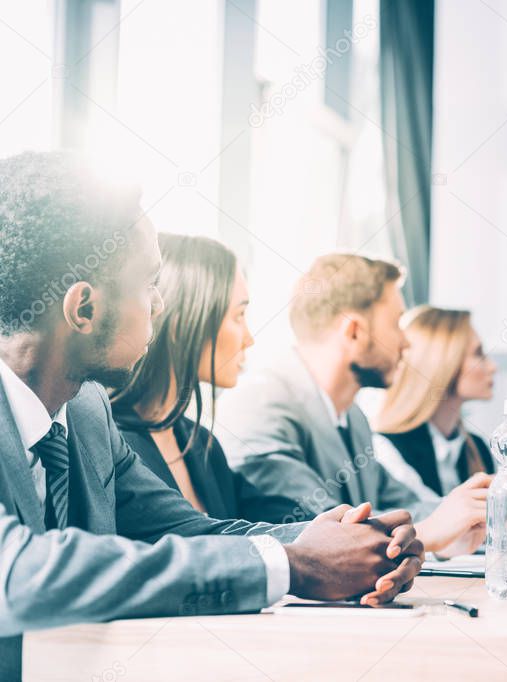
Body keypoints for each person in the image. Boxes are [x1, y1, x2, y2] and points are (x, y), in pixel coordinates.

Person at [0, 152, 422, 678]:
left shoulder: (85, 412)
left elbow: (186, 531)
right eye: (148, 284)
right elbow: (20, 572)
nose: (159, 305)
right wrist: (298, 565)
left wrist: (334, 542)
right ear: (83, 309)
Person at [216, 254, 491, 557]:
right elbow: (319, 533)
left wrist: (481, 508)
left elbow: (403, 504)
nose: (406, 342)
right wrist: (430, 531)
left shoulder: (353, 417)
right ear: (354, 331)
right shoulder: (260, 405)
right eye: (397, 323)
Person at [109, 233, 295, 522]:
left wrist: (360, 528)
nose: (249, 339)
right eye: (238, 316)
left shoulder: (201, 444)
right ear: (184, 321)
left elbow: (272, 515)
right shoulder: (110, 444)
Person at [373, 306, 496, 502]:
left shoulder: (477, 448)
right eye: (478, 353)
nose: (492, 367)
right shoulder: (387, 448)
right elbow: (424, 520)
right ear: (443, 362)